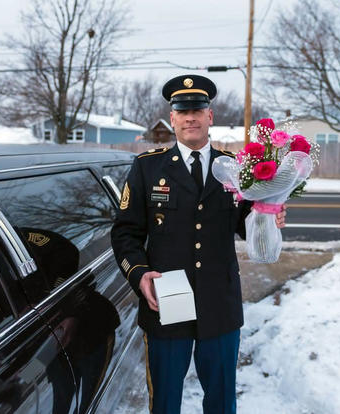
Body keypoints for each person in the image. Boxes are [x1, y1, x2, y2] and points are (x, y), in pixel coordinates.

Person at [110, 74, 286, 414]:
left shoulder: (236, 169)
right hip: (167, 297)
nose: (190, 116)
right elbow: (125, 232)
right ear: (172, 119)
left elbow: (249, 226)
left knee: (221, 401)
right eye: (182, 110)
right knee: (165, 400)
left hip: (218, 301)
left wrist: (269, 217)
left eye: (198, 109)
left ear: (210, 116)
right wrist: (139, 274)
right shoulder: (148, 167)